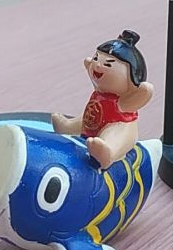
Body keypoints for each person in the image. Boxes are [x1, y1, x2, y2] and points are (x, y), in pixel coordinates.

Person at [52, 30, 154, 169]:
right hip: (93, 122)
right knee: (84, 120)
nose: (98, 65)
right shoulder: (99, 92)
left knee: (114, 136)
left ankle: (107, 153)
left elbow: (145, 91)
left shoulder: (123, 102)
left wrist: (141, 92)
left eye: (108, 64)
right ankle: (68, 127)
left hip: (117, 126)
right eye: (96, 59)